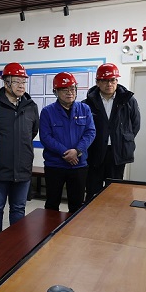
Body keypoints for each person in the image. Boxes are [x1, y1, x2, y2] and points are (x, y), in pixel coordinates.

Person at [0, 62, 39, 237]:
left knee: (18, 208)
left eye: (23, 81)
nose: (21, 85)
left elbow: (32, 132)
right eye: (16, 81)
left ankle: (15, 244)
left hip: (23, 167)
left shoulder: (31, 106)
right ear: (6, 82)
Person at [39, 72, 95, 213]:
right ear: (56, 92)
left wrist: (77, 151)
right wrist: (65, 152)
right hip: (55, 165)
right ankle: (51, 228)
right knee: (52, 204)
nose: (70, 92)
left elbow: (90, 132)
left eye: (72, 89)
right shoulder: (47, 112)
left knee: (77, 206)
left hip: (78, 165)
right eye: (65, 89)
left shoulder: (85, 109)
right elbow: (45, 137)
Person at [83, 63, 141, 200]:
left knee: (115, 192)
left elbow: (135, 125)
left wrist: (122, 138)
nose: (109, 84)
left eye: (112, 80)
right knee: (92, 191)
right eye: (105, 80)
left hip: (118, 152)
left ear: (116, 81)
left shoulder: (128, 100)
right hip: (95, 152)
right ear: (98, 82)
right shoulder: (88, 103)